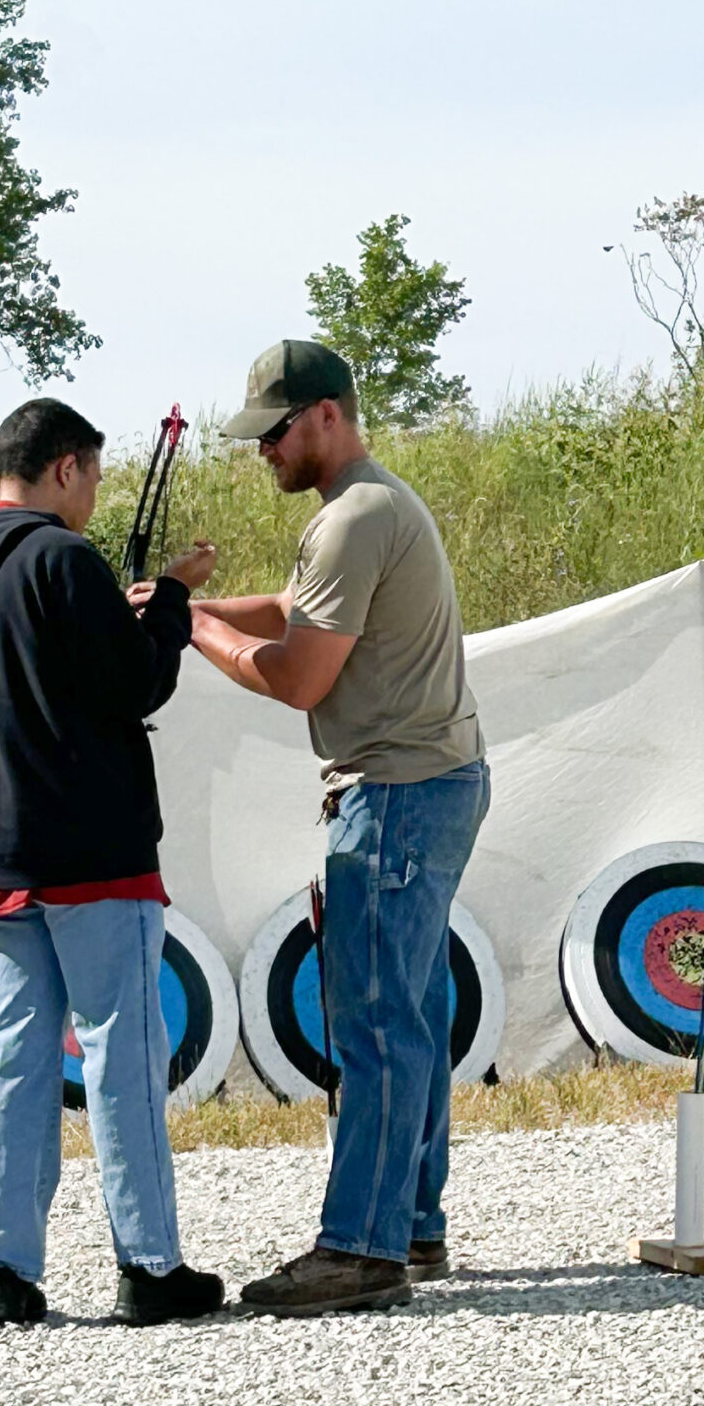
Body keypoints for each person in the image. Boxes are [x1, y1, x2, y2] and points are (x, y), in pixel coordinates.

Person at [188, 342, 491, 1312]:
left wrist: (195, 633)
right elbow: (296, 607)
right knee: (414, 1009)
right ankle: (410, 1222)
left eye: (272, 432)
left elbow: (298, 673)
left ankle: (361, 1248)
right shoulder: (369, 507)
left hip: (395, 793)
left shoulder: (352, 519)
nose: (262, 451)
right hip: (434, 781)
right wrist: (185, 604)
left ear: (324, 415)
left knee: (374, 1019)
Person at [0, 398, 227, 1328]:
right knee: (120, 1054)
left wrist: (124, 616)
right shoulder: (65, 559)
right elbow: (135, 685)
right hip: (92, 851)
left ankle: (4, 1272)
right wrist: (169, 602)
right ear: (62, 469)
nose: (94, 496)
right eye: (91, 476)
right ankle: (149, 1265)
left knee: (15, 1058)